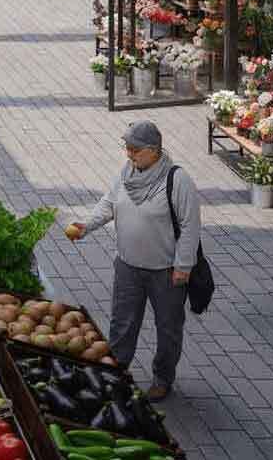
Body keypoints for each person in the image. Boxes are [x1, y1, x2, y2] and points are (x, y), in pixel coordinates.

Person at [65, 121, 201, 402]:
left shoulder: (177, 180)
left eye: (134, 150)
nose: (129, 154)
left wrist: (183, 266)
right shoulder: (127, 173)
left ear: (153, 151)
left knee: (168, 328)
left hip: (166, 271)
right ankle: (117, 369)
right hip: (128, 265)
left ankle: (163, 379)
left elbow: (190, 226)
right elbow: (109, 203)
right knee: (122, 323)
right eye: (127, 148)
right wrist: (86, 226)